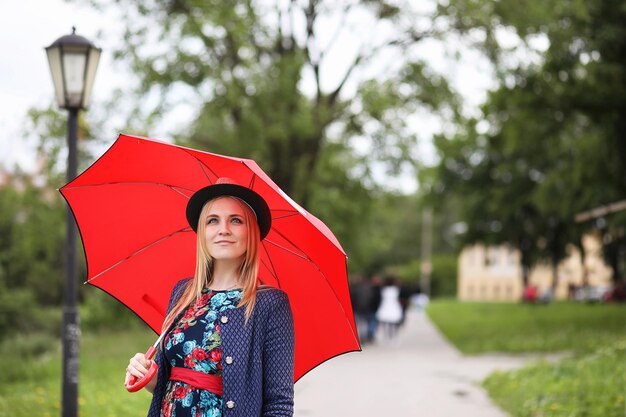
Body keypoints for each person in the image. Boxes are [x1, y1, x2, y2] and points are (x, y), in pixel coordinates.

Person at [125, 177, 295, 417]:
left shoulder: (269, 304)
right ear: (202, 232)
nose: (223, 229)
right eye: (213, 220)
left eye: (235, 220)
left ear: (251, 232)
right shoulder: (183, 293)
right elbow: (171, 385)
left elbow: (279, 405)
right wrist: (145, 375)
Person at [375, 275, 403, 342]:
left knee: (386, 323)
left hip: (386, 306)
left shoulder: (383, 289)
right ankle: (393, 336)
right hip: (393, 306)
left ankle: (386, 336)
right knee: (393, 323)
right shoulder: (396, 289)